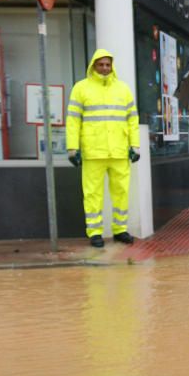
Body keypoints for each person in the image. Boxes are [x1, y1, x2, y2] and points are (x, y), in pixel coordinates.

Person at [66, 49, 140, 248]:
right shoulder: (81, 88)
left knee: (121, 192)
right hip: (93, 151)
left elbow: (133, 119)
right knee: (92, 194)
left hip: (119, 151)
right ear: (94, 66)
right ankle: (95, 232)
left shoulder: (123, 89)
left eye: (108, 64)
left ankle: (120, 229)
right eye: (101, 64)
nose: (105, 68)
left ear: (112, 66)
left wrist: (135, 146)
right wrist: (72, 148)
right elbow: (73, 120)